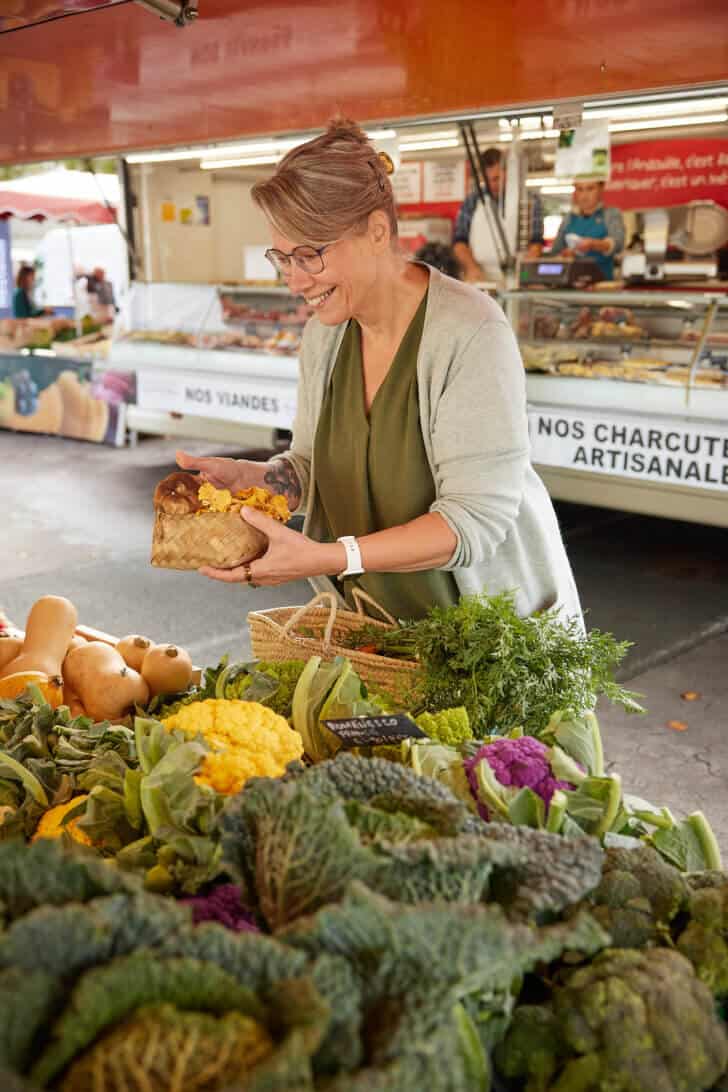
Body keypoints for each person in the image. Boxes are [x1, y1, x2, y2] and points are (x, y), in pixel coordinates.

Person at [177, 119, 582, 626]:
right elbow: (310, 464)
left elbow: (474, 523)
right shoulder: (325, 335)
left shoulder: (470, 331)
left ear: (377, 231)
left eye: (310, 255)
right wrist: (255, 480)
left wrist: (330, 556)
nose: (294, 280)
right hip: (378, 634)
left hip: (490, 643)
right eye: (282, 258)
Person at [453, 147, 544, 284]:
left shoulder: (529, 200)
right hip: (479, 278)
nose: (492, 185)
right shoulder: (472, 201)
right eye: (487, 180)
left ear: (507, 172)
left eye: (496, 179)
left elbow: (536, 243)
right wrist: (472, 268)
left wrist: (524, 274)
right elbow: (459, 243)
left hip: (516, 278)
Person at [547, 181, 625, 281]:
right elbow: (555, 251)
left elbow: (618, 243)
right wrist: (565, 255)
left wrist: (594, 244)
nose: (584, 195)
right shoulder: (569, 218)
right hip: (571, 282)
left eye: (590, 189)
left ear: (601, 190)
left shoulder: (611, 214)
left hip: (602, 284)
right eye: (580, 189)